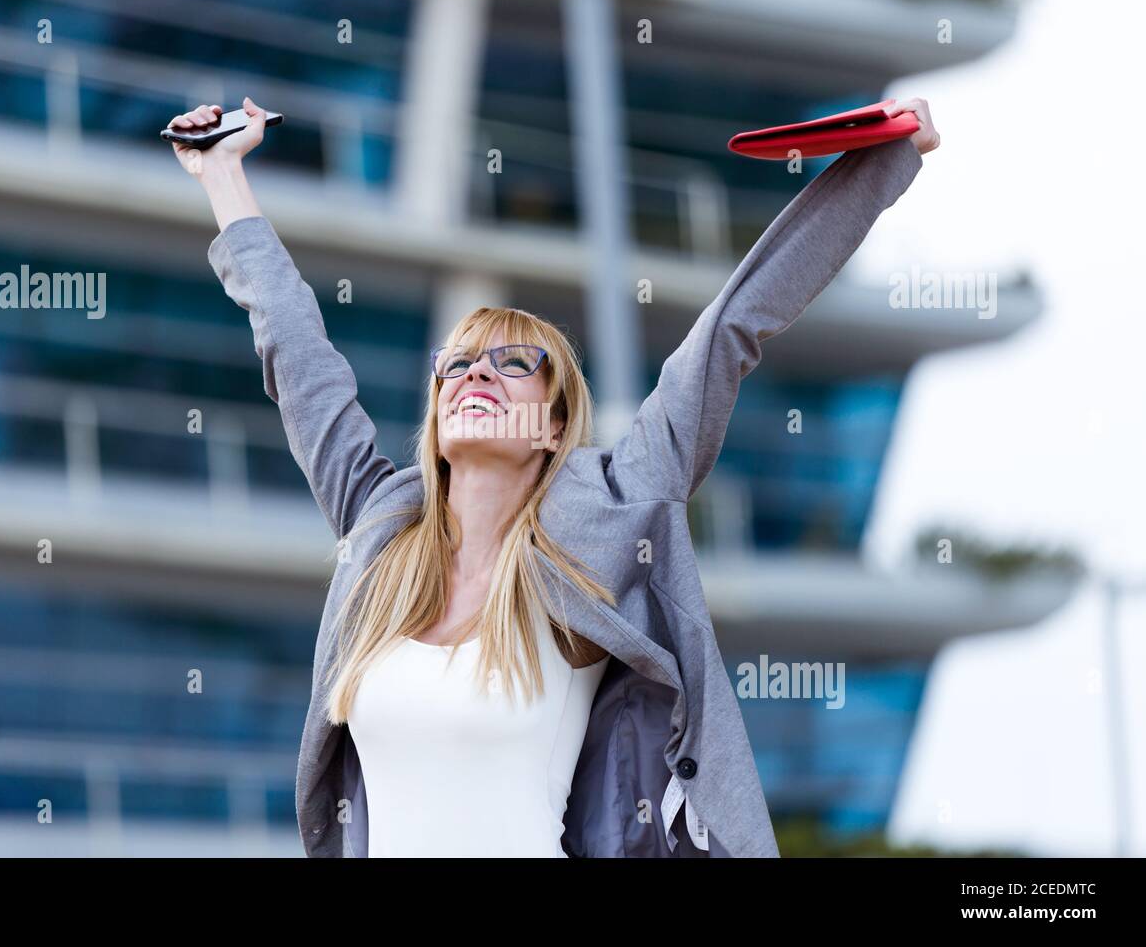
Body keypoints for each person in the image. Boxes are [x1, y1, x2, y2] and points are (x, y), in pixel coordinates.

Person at [169, 95, 938, 857]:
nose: (478, 376)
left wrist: (882, 161)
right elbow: (297, 355)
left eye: (514, 364)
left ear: (556, 426)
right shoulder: (379, 534)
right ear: (436, 415)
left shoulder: (603, 524)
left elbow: (732, 326)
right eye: (459, 364)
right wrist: (221, 175)